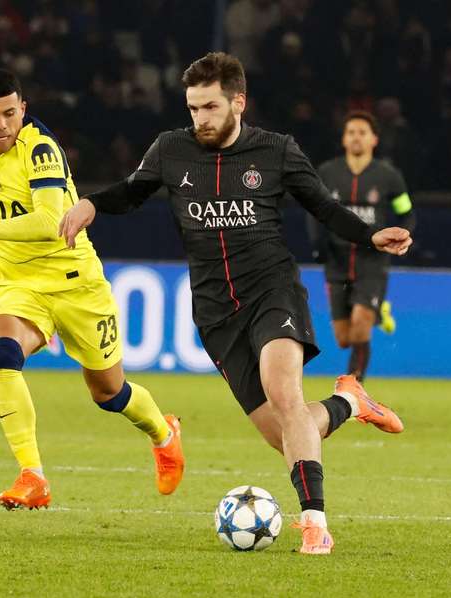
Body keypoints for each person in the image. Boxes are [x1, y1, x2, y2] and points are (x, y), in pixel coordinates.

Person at [59, 52, 411, 555]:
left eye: (208, 107)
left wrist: (371, 235)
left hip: (273, 290)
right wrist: (92, 203)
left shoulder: (276, 152)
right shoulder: (171, 149)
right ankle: (351, 401)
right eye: (192, 108)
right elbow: (132, 191)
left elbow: (325, 207)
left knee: (285, 394)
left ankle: (314, 523)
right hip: (215, 312)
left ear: (237, 103)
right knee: (282, 433)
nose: (199, 118)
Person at [0, 69, 184, 510]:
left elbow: (49, 223)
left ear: (23, 109)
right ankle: (33, 476)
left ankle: (164, 433)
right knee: (3, 353)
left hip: (74, 283)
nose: (2, 125)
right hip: (18, 280)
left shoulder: (41, 150)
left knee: (109, 393)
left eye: (11, 113)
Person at [317, 111, 416, 382]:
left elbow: (406, 212)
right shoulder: (327, 173)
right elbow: (313, 211)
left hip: (372, 262)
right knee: (344, 339)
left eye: (362, 132)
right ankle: (378, 312)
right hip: (336, 262)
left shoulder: (388, 176)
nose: (356, 137)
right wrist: (318, 245)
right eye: (351, 132)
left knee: (360, 328)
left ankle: (354, 388)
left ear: (374, 139)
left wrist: (405, 233)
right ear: (343, 139)